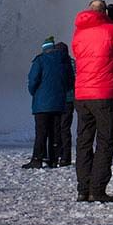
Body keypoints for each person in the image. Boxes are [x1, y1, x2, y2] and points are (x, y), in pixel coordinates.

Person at [71, 0, 113, 203]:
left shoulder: (78, 32)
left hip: (82, 96)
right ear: (104, 12)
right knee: (106, 141)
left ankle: (83, 189)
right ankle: (97, 190)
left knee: (83, 142)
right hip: (104, 95)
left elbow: (77, 53)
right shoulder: (110, 29)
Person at [22, 35, 74, 170]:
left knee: (41, 131)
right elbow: (70, 81)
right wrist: (62, 92)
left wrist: (35, 92)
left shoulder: (40, 60)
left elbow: (33, 80)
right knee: (55, 131)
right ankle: (53, 159)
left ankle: (37, 159)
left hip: (42, 103)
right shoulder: (64, 61)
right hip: (59, 102)